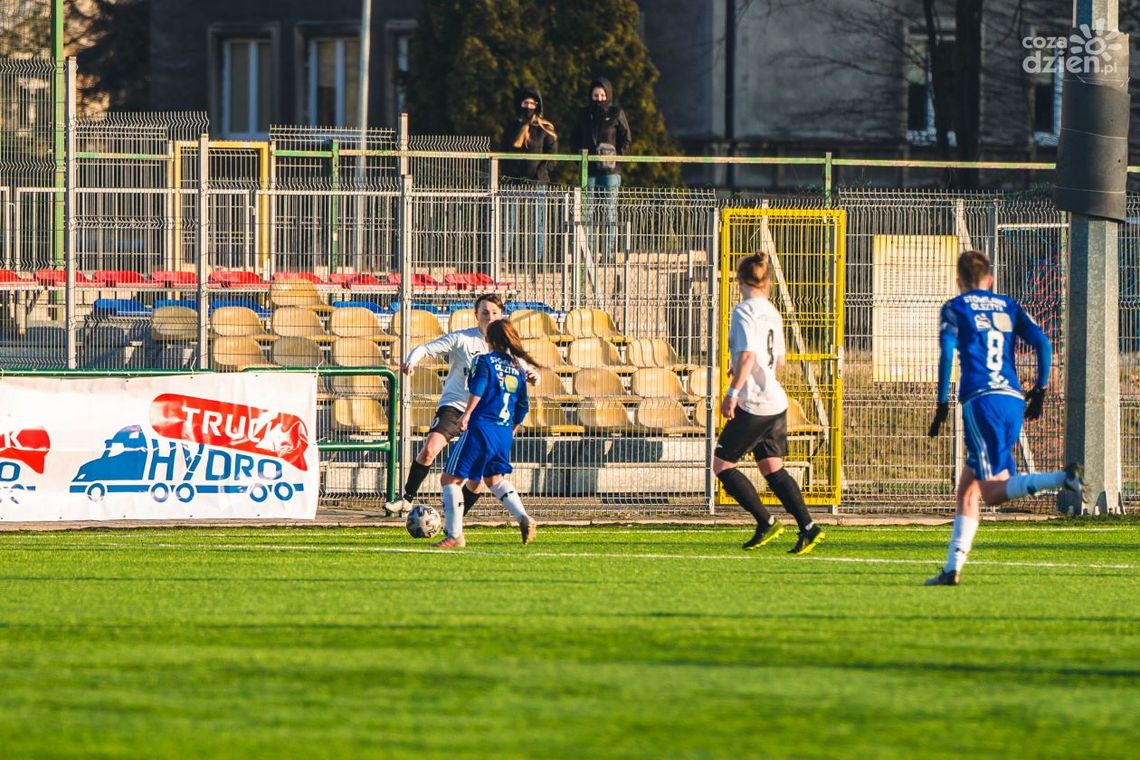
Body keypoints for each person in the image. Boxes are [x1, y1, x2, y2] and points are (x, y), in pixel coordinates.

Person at [925, 250, 1083, 586]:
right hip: (1011, 399)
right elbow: (1042, 343)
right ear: (990, 280)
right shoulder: (1008, 304)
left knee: (993, 493)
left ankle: (1061, 478)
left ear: (959, 282)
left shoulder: (956, 307)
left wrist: (941, 403)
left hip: (981, 402)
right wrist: (1040, 389)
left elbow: (947, 354)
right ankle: (951, 570)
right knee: (967, 489)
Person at [713, 253, 825, 554]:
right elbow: (779, 359)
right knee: (772, 468)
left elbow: (750, 355)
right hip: (776, 400)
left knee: (722, 464)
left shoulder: (743, 310)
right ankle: (809, 527)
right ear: (766, 281)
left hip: (754, 402)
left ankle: (766, 521)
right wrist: (741, 367)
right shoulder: (772, 311)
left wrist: (732, 392)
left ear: (739, 279)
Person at [385, 294, 536, 517]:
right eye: (484, 313)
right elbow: (426, 348)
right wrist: (411, 361)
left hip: (485, 416)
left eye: (494, 313)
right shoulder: (463, 338)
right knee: (429, 450)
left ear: (502, 315)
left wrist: (534, 376)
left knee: (478, 479)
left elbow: (528, 372)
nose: (490, 317)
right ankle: (406, 499)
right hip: (455, 407)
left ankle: (456, 518)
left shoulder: (507, 350)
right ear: (476, 316)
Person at [433, 319, 540, 548]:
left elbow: (478, 388)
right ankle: (523, 517)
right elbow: (522, 406)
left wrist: (466, 414)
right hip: (503, 431)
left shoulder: (484, 361)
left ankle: (455, 535)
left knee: (450, 479)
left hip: (481, 428)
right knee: (494, 479)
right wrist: (511, 428)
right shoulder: (517, 368)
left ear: (488, 340)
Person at [571, 76, 631, 259]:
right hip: (588, 170)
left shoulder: (616, 113)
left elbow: (626, 138)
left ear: (608, 94)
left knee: (609, 211)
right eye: (595, 95)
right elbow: (573, 138)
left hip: (610, 172)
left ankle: (609, 253)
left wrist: (617, 159)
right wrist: (579, 160)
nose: (599, 98)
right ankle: (587, 252)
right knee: (587, 211)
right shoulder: (583, 114)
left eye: (602, 94)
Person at [499, 86, 558, 263]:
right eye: (525, 103)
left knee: (537, 222)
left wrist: (539, 173)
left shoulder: (545, 128)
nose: (528, 106)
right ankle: (502, 256)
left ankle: (537, 258)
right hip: (513, 181)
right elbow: (504, 152)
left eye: (532, 103)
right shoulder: (511, 127)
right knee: (508, 221)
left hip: (536, 182)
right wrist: (510, 172)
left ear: (537, 105)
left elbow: (552, 157)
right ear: (519, 104)